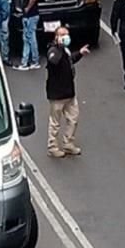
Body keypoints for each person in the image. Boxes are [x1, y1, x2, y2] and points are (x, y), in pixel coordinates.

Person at [45, 26, 90, 158]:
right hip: (57, 94)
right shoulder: (53, 51)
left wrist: (80, 53)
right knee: (55, 122)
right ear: (57, 37)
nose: (66, 37)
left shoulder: (66, 51)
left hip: (69, 92)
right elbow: (54, 61)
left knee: (73, 119)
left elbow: (70, 61)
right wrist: (59, 47)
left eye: (67, 34)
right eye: (63, 35)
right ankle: (52, 147)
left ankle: (68, 143)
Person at [15, 0, 40, 70]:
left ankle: (33, 60)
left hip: (30, 16)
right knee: (28, 38)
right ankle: (27, 61)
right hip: (32, 15)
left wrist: (27, 8)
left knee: (30, 38)